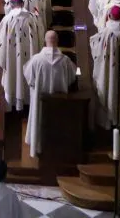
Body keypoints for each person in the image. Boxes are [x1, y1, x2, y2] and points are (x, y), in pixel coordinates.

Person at [22, 30, 78, 159]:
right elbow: (73, 76)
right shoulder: (65, 60)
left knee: (38, 120)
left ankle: (37, 146)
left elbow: (28, 76)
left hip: (39, 101)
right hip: (58, 103)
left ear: (45, 41)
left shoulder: (36, 60)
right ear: (57, 41)